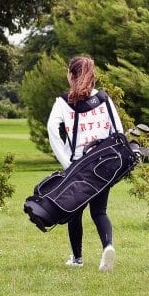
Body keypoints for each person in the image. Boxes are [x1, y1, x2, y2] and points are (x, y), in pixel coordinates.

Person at [46, 56, 123, 271]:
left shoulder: (63, 102)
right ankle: (107, 246)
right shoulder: (105, 99)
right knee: (100, 212)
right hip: (104, 165)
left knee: (73, 212)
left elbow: (52, 130)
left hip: (78, 166)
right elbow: (118, 132)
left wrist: (65, 160)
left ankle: (77, 258)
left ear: (71, 75)